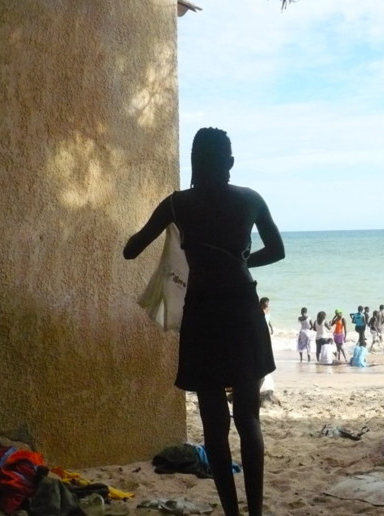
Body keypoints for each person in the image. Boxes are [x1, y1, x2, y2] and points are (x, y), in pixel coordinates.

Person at [123, 127, 285, 516]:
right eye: (228, 159)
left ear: (195, 162)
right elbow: (277, 250)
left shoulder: (178, 205)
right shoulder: (250, 200)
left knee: (214, 425)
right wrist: (242, 259)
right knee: (248, 418)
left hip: (203, 315)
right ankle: (256, 513)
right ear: (229, 162)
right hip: (243, 310)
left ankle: (231, 513)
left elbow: (131, 250)